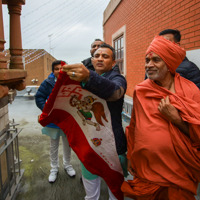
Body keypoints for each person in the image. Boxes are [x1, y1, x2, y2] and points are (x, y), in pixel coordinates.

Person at [121, 36, 200, 199]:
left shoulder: (190, 90)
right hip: (146, 170)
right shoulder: (141, 90)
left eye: (156, 60)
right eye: (147, 60)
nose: (148, 65)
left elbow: (197, 135)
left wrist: (176, 119)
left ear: (169, 63)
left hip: (178, 174)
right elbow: (134, 125)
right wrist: (130, 156)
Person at [62, 43, 127, 200]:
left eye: (105, 56)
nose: (100, 59)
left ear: (113, 63)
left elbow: (115, 93)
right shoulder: (82, 79)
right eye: (97, 56)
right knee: (91, 191)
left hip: (113, 144)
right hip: (90, 143)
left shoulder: (118, 78)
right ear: (92, 60)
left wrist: (89, 77)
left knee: (115, 191)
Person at [35, 60, 76, 183]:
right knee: (53, 146)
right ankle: (54, 168)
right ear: (53, 71)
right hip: (53, 121)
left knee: (67, 145)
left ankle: (67, 165)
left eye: (62, 68)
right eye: (56, 69)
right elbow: (39, 97)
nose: (59, 71)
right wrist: (47, 110)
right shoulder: (47, 83)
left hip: (66, 120)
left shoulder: (70, 81)